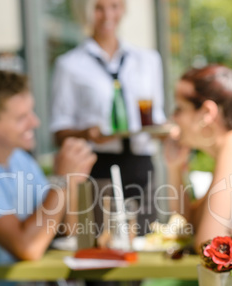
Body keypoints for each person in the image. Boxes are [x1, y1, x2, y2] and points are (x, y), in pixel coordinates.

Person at [0, 70, 96, 286]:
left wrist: (72, 182)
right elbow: (29, 248)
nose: (35, 122)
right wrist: (61, 178)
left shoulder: (20, 161)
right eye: (22, 117)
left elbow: (68, 230)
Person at [50, 0, 166, 236]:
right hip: (98, 167)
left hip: (140, 165)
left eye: (114, 6)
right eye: (98, 7)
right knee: (100, 243)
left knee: (143, 242)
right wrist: (86, 134)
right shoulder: (69, 65)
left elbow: (157, 116)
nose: (107, 15)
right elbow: (59, 130)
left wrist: (167, 131)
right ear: (86, 12)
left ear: (123, 9)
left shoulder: (148, 60)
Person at [164, 64, 232, 251]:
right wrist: (174, 168)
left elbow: (208, 243)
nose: (173, 118)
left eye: (179, 108)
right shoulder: (230, 151)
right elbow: (188, 227)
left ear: (206, 113)